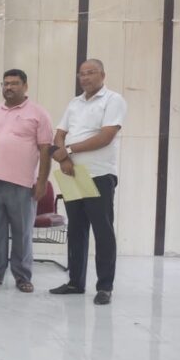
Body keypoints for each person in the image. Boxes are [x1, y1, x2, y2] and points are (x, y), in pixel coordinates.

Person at [49, 59, 127, 305]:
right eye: (81, 74)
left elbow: (106, 137)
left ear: (103, 75)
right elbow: (59, 134)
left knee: (102, 230)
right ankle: (75, 282)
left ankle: (104, 287)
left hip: (99, 174)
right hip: (73, 174)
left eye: (91, 73)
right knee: (76, 229)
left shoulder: (113, 100)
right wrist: (64, 159)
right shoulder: (74, 103)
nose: (85, 77)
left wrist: (69, 150)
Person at [0, 69, 53, 293]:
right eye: (6, 83)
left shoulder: (38, 113)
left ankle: (23, 276)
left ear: (25, 86)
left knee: (22, 233)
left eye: (14, 83)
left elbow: (45, 150)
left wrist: (42, 182)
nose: (9, 87)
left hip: (22, 184)